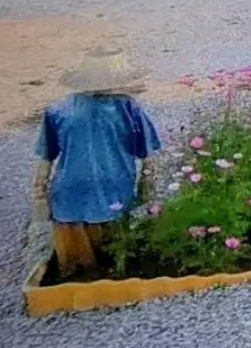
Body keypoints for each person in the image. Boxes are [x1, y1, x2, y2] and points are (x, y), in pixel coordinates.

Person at [32, 47, 163, 277]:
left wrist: (40, 191)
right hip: (113, 189)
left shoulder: (57, 111)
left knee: (74, 266)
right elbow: (148, 156)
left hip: (69, 193)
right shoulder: (128, 108)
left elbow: (46, 157)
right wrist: (147, 188)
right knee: (116, 258)